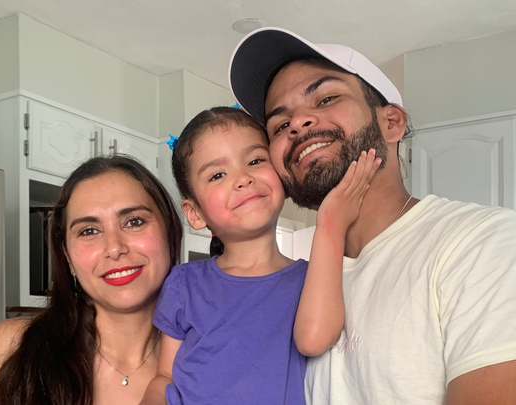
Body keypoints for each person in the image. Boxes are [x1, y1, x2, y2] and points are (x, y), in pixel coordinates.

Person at [228, 27, 516, 405]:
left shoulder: (492, 243)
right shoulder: (299, 286)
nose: (298, 123)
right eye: (279, 125)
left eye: (326, 98)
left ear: (392, 122)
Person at [140, 107, 380, 404]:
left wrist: (331, 224)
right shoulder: (183, 283)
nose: (243, 178)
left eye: (255, 161)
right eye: (217, 175)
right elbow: (165, 376)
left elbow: (315, 339)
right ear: (195, 213)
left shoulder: (314, 279)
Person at [0, 155, 183, 405]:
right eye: (89, 231)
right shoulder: (7, 349)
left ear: (170, 234)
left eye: (134, 222)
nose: (114, 248)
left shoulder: (201, 363)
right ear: (67, 257)